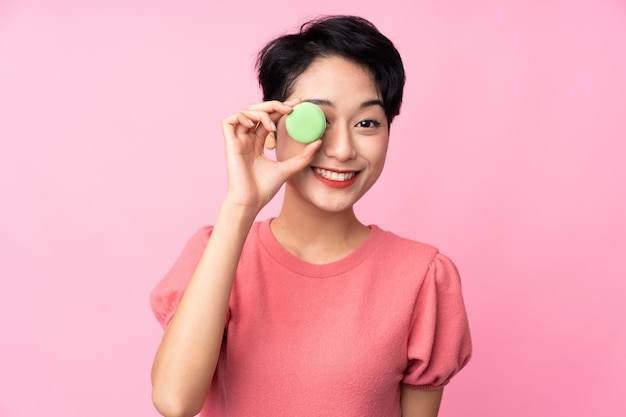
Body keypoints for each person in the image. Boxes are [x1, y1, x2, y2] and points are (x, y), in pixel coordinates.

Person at [150, 15, 472, 417]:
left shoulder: (424, 276)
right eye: (316, 120)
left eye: (367, 123)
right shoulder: (214, 253)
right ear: (271, 126)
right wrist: (240, 206)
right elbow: (175, 401)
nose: (341, 149)